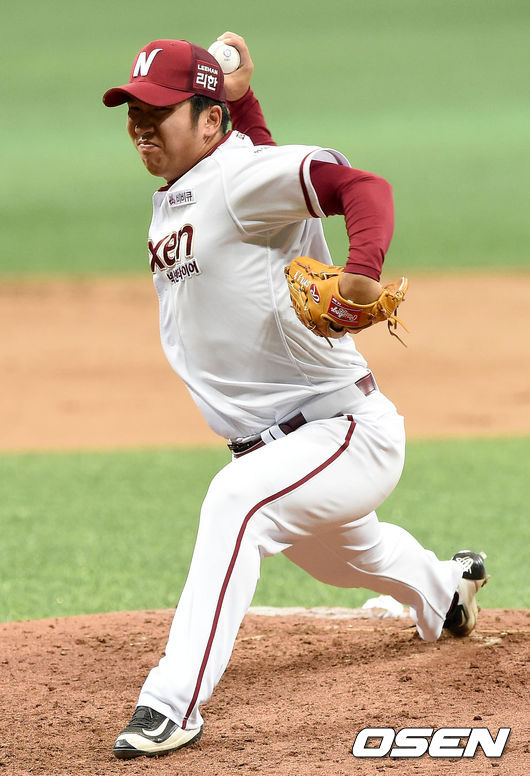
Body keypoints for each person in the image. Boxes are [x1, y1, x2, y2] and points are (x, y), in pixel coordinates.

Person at [102, 33, 488, 759]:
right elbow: (257, 176)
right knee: (354, 556)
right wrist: (243, 100)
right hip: (290, 451)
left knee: (236, 502)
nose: (141, 124)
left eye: (159, 110)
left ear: (208, 122)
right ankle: (446, 593)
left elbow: (364, 188)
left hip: (343, 432)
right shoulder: (207, 178)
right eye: (134, 109)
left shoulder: (234, 176)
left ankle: (171, 703)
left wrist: (363, 270)